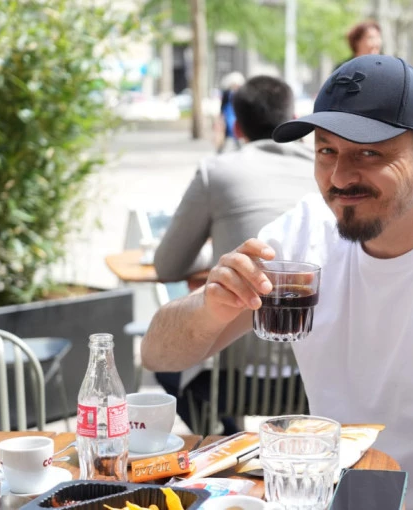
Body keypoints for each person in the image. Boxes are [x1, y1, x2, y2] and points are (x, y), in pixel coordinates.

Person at [142, 55, 413, 509]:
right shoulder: (302, 234)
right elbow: (158, 354)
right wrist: (211, 305)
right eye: (326, 151)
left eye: (369, 153)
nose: (340, 177)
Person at [152, 75, 317, 433]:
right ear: (294, 118)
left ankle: (225, 435)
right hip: (311, 382)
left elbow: (167, 265)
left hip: (230, 382)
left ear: (237, 126)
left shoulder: (217, 171)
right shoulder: (325, 172)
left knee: (167, 362)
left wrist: (220, 259)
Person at [216, 71, 245, 153]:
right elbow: (223, 104)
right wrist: (221, 115)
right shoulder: (227, 93)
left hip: (235, 113)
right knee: (229, 129)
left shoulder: (239, 93)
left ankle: (238, 146)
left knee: (235, 129)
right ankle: (221, 149)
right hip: (228, 113)